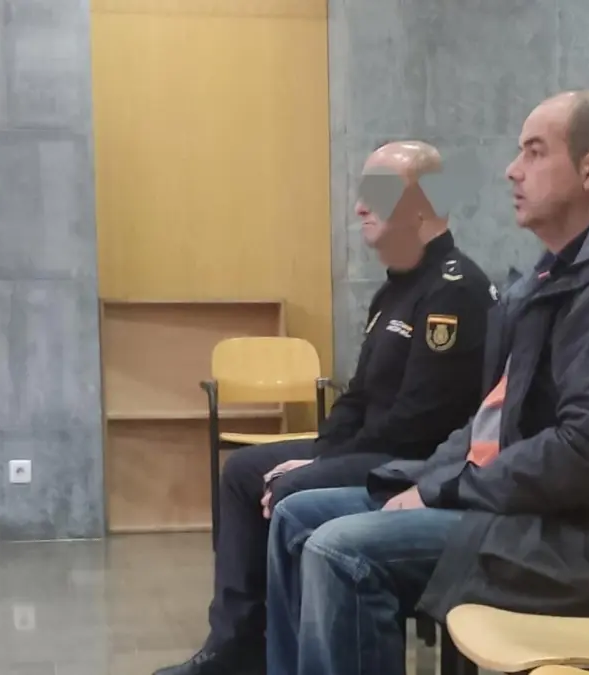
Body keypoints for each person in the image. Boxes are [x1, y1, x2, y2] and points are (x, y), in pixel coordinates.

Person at [262, 90, 589, 675]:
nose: (512, 169)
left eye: (534, 152)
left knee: (341, 551)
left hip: (581, 541)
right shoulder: (562, 276)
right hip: (522, 508)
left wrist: (442, 490)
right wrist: (429, 478)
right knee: (297, 516)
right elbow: (491, 422)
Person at [154, 141, 496, 675]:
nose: (360, 206)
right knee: (244, 472)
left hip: (414, 462)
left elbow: (420, 422)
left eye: (378, 191)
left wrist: (322, 463)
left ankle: (291, 661)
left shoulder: (455, 290)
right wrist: (324, 450)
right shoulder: (397, 288)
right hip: (373, 448)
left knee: (290, 489)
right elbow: (358, 396)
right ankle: (238, 646)